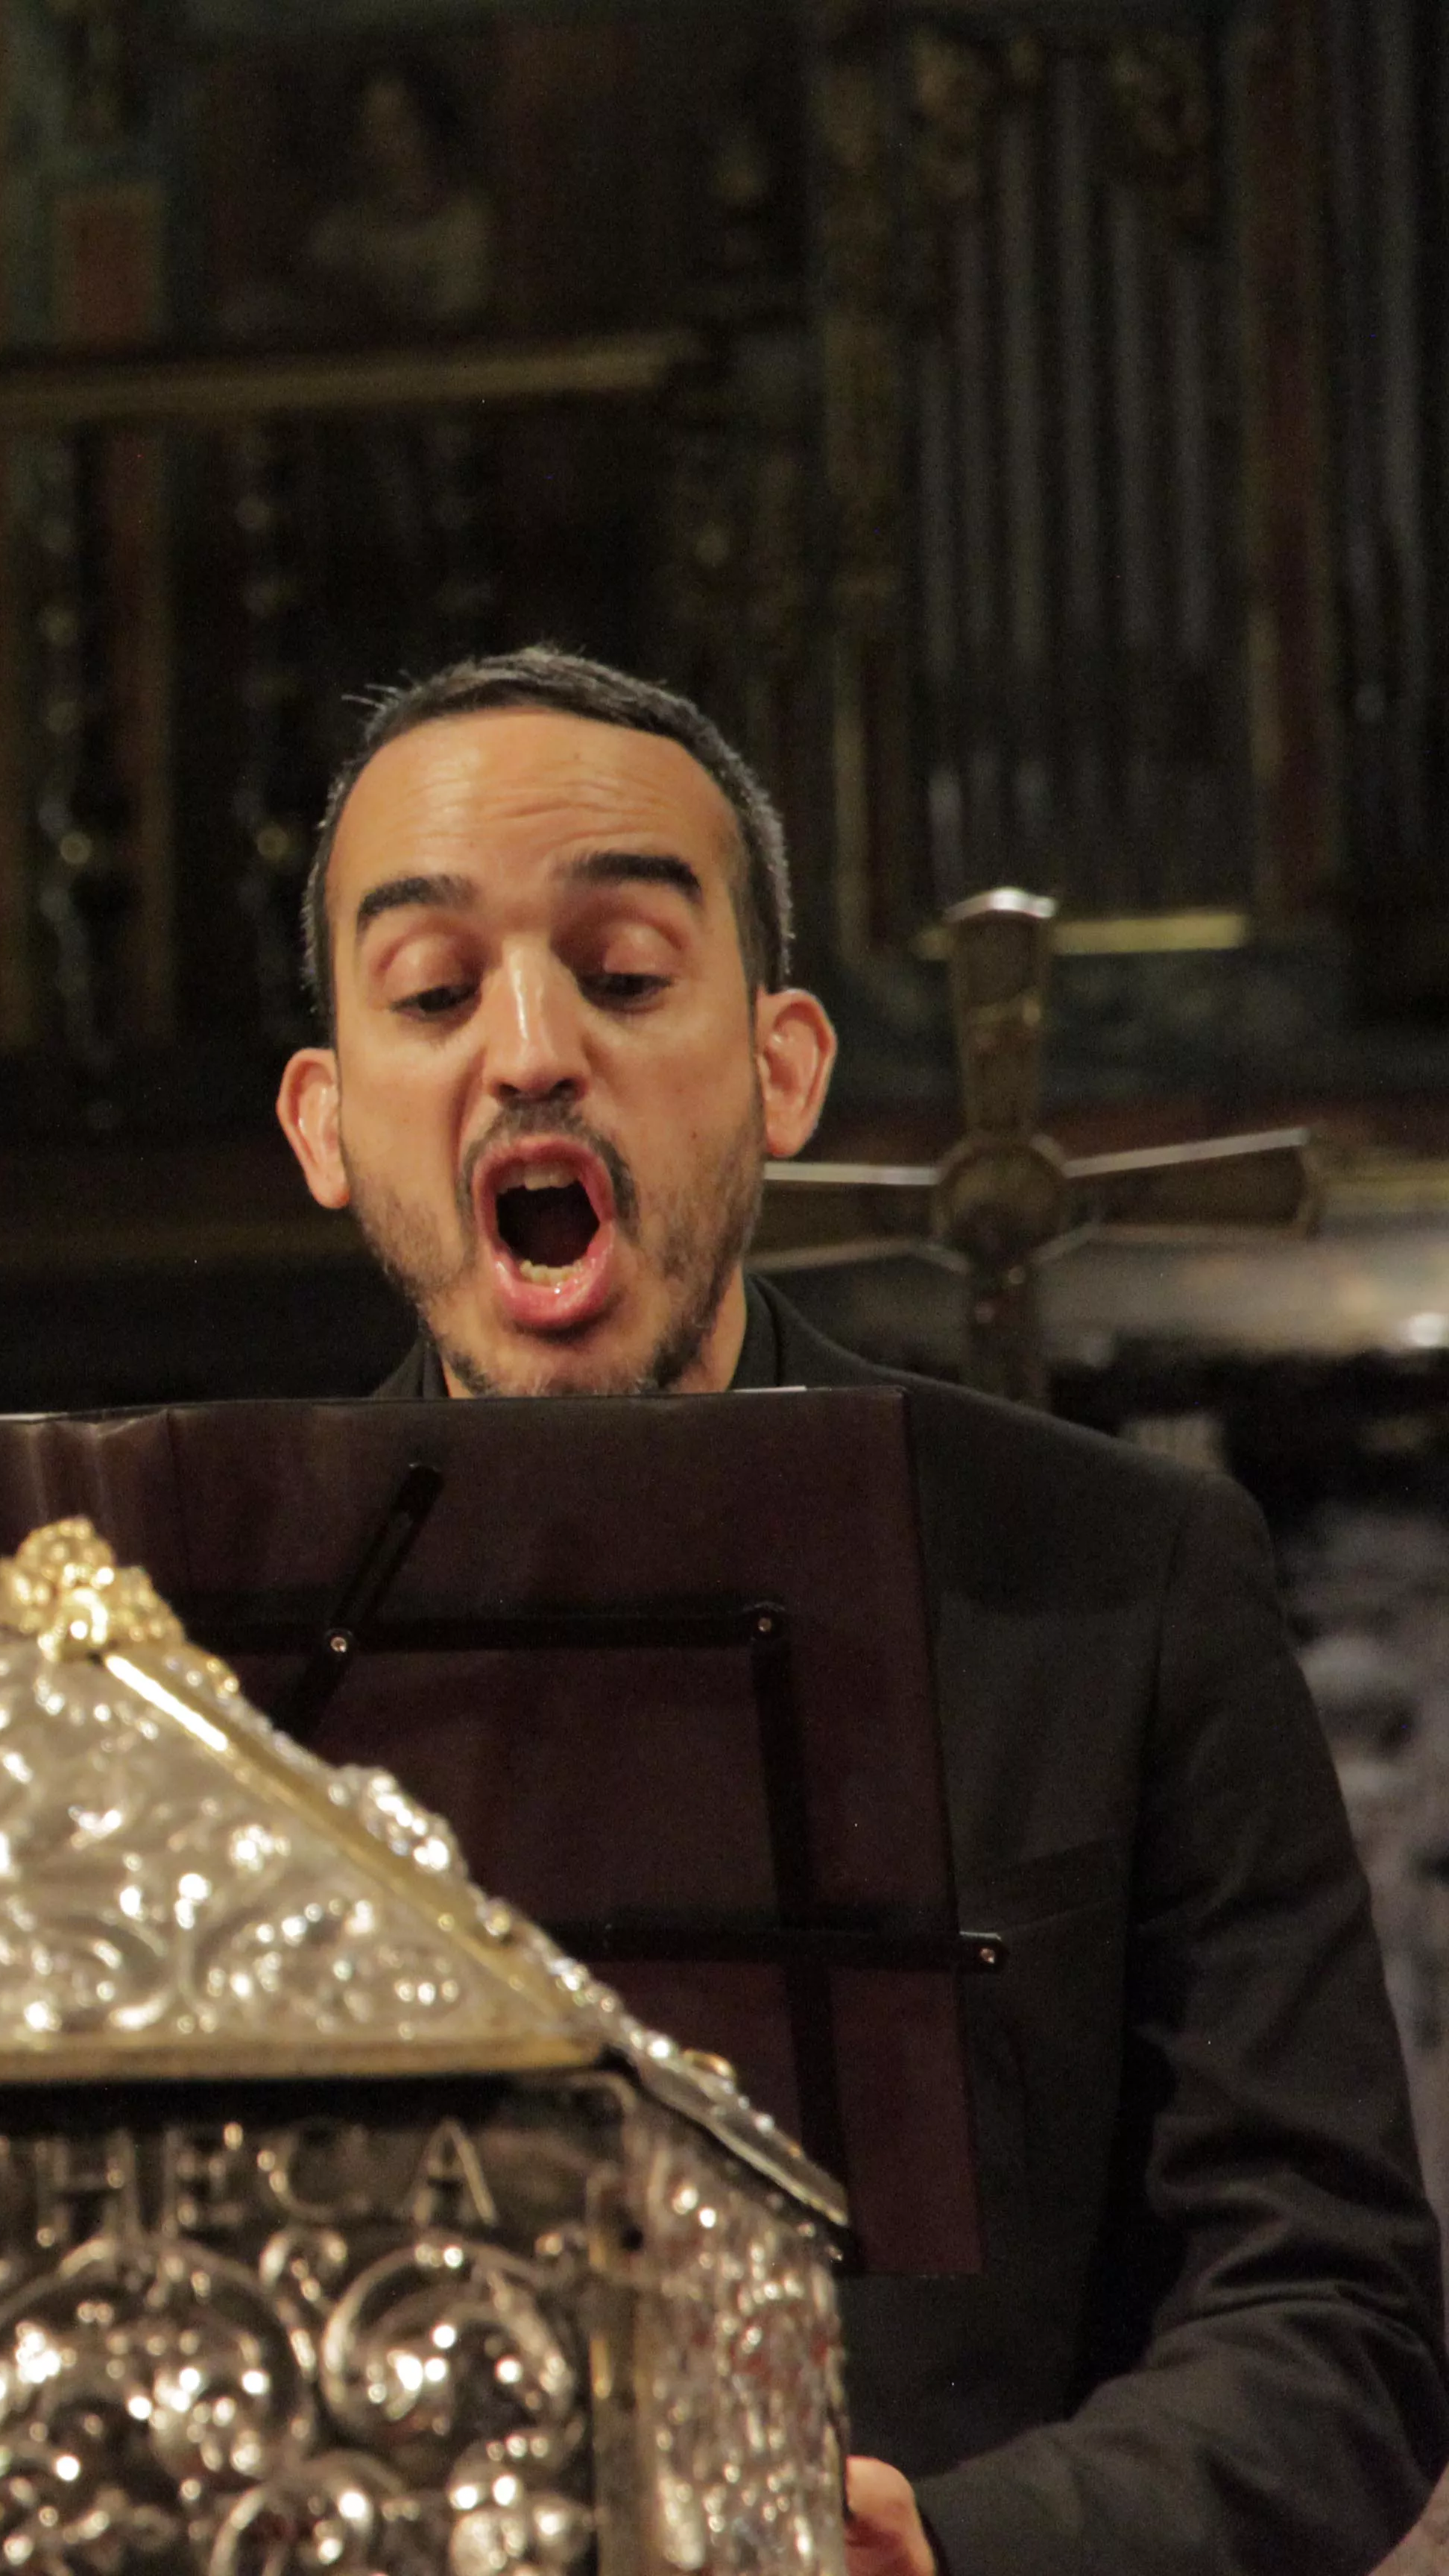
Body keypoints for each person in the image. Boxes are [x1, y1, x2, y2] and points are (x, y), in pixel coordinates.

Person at [271, 643, 1449, 2574]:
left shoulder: (1123, 1583)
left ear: (781, 1070)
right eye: (432, 989)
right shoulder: (154, 1653)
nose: (535, 1046)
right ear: (326, 1123)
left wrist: (966, 2551)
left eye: (629, 974)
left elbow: (1331, 2317)